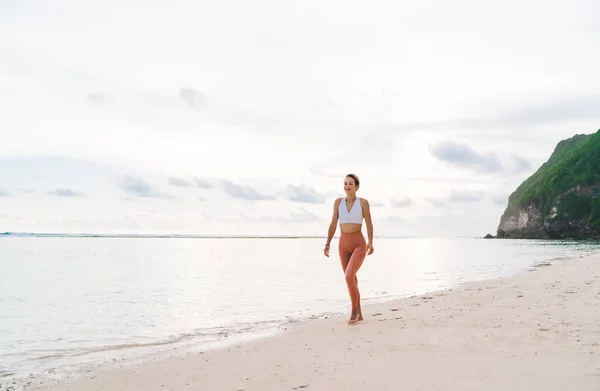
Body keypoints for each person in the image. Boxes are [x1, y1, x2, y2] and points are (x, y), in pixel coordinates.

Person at [323, 173, 374, 325]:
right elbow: (333, 224)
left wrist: (370, 242)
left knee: (348, 276)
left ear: (357, 186)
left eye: (351, 183)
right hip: (343, 243)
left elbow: (369, 223)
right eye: (345, 183)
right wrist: (327, 243)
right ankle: (360, 313)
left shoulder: (363, 203)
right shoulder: (338, 202)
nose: (347, 186)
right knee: (351, 278)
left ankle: (354, 311)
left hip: (359, 242)